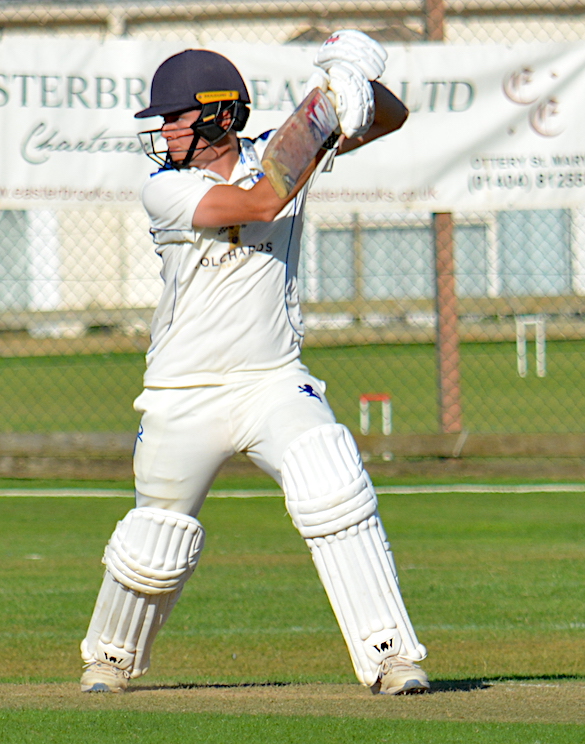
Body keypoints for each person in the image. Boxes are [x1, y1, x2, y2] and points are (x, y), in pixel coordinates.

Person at [79, 32, 429, 696]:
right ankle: (111, 658)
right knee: (157, 536)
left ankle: (390, 656)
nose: (165, 132)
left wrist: (349, 90)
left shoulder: (278, 144)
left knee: (332, 479)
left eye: (174, 118)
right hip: (185, 390)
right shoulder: (167, 190)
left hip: (273, 379)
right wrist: (321, 113)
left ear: (216, 114)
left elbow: (393, 117)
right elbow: (263, 201)